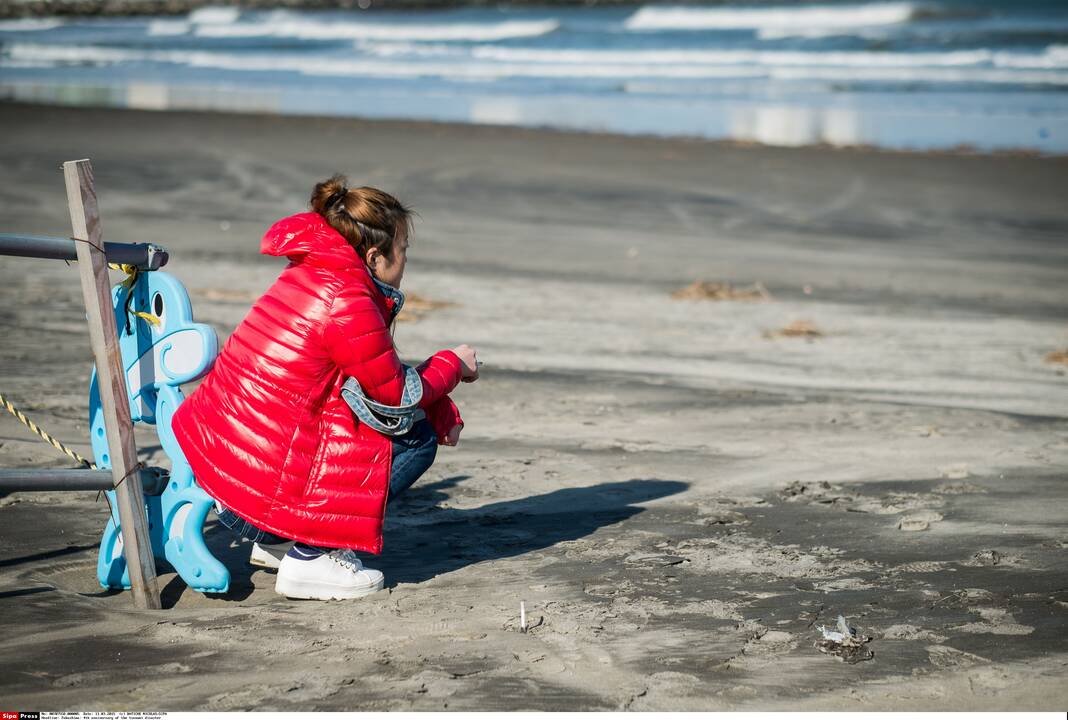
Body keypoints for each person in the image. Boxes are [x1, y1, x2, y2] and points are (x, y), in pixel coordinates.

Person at [172, 174, 479, 600]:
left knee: (385, 424)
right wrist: (453, 365)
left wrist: (439, 403)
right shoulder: (347, 297)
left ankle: (276, 537)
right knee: (415, 442)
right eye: (403, 250)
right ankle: (312, 557)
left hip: (223, 442)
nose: (406, 260)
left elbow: (370, 374)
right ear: (375, 256)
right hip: (250, 464)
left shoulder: (316, 270)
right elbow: (394, 393)